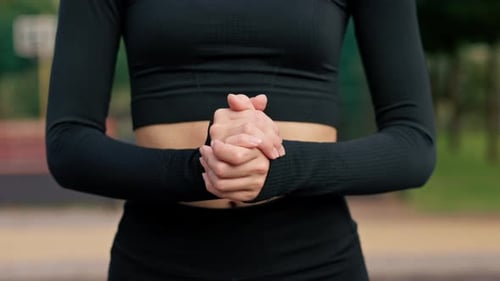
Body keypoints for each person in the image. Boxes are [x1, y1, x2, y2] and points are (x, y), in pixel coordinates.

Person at [45, 0, 436, 280]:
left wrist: (282, 169)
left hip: (316, 258)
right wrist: (204, 168)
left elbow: (413, 144)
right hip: (158, 257)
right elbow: (69, 143)